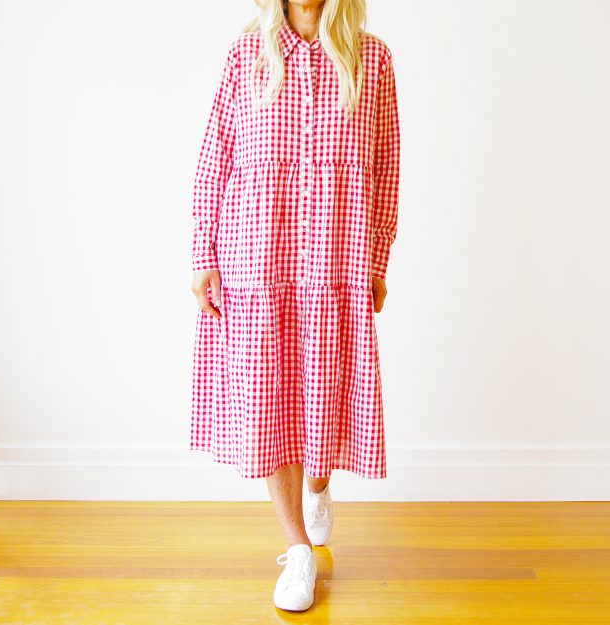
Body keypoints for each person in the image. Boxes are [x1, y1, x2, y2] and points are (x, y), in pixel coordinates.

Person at [190, 0, 400, 611]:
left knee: (325, 395)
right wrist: (203, 252)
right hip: (257, 260)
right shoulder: (246, 55)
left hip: (336, 262)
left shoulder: (372, 59)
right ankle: (298, 549)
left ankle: (319, 480)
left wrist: (378, 260)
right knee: (268, 401)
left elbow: (385, 170)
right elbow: (214, 159)